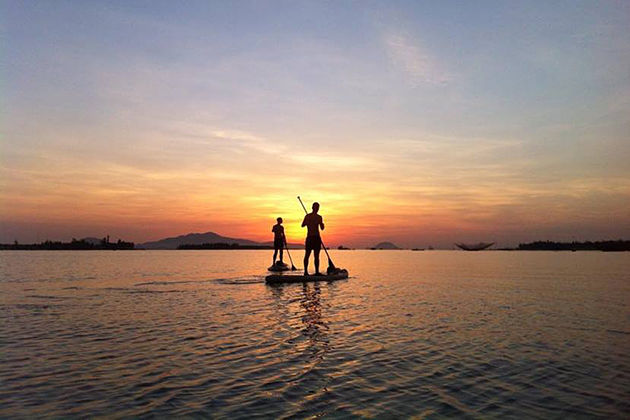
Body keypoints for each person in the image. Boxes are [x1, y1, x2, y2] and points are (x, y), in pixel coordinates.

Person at [302, 202, 324, 275]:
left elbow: (322, 228)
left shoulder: (319, 217)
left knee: (316, 256)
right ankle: (305, 272)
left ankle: (317, 271)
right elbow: (302, 225)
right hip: (310, 237)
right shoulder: (308, 216)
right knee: (307, 255)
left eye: (318, 207)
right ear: (312, 207)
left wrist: (321, 224)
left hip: (317, 238)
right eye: (316, 207)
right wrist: (308, 221)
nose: (317, 209)